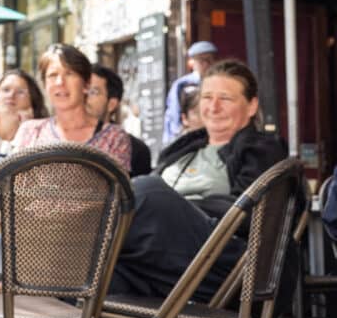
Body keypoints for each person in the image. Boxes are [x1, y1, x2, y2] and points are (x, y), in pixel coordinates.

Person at [110, 59, 287, 298]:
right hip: (165, 260)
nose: (214, 107)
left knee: (146, 190)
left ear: (252, 106)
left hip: (228, 262)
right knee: (93, 276)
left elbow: (254, 215)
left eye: (225, 98)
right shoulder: (182, 148)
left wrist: (180, 207)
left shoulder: (262, 149)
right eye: (207, 97)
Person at [0, 45, 130, 291]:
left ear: (86, 84)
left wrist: (48, 201)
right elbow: (16, 193)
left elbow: (113, 201)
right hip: (30, 239)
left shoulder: (114, 137)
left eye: (69, 74)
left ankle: (11, 290)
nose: (60, 82)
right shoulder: (31, 130)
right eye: (52, 75)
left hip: (87, 245)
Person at [89, 64, 152, 177]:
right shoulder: (58, 138)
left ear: (111, 104)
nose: (83, 97)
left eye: (93, 92)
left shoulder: (135, 150)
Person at [0, 68, 48, 154]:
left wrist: (27, 131)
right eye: (6, 90)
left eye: (20, 92)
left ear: (33, 101)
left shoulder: (43, 139)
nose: (11, 95)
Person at [163, 40, 218, 144]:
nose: (206, 64)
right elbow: (174, 113)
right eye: (201, 60)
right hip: (189, 136)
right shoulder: (182, 84)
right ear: (193, 62)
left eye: (209, 60)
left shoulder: (219, 82)